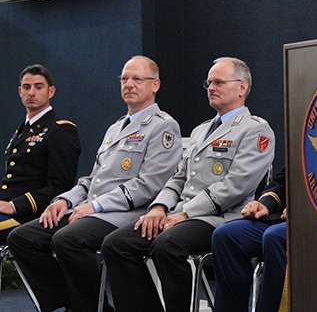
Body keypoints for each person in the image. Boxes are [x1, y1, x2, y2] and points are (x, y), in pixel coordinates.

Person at [7, 55, 182, 312]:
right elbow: (92, 179)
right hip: (92, 209)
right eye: (124, 79)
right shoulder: (115, 128)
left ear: (155, 85)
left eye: (137, 79)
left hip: (127, 213)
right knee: (22, 237)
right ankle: (73, 303)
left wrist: (96, 206)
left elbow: (149, 185)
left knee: (68, 239)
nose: (129, 84)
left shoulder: (163, 127)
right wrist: (65, 200)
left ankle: (89, 308)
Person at [102, 56, 275, 312]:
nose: (211, 88)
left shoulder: (256, 130)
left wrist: (186, 212)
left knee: (167, 246)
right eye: (208, 83)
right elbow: (179, 177)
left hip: (221, 218)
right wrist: (159, 208)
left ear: (242, 87)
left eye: (218, 82)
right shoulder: (200, 131)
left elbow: (235, 186)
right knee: (116, 244)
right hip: (180, 214)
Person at [0, 64, 81, 242]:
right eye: (26, 87)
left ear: (51, 91)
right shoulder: (22, 130)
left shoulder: (61, 131)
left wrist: (14, 206)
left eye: (38, 87)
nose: (31, 93)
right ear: (19, 92)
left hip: (31, 215)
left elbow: (59, 187)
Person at [212, 166, 286, 312]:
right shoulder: (303, 143)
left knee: (274, 237)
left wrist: (304, 208)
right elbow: (286, 179)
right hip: (286, 217)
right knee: (226, 236)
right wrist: (265, 203)